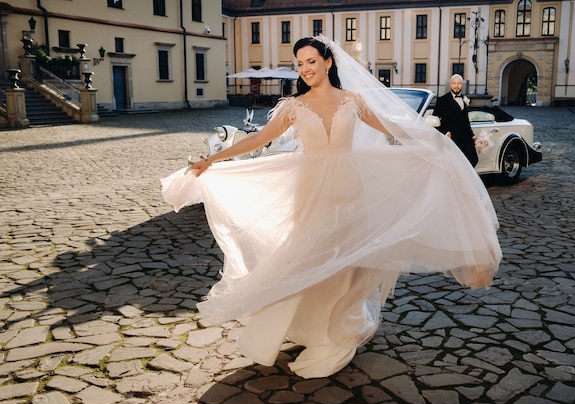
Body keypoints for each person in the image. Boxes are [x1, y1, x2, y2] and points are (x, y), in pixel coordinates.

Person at [161, 36, 501, 379]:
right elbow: (258, 138)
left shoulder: (352, 101)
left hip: (350, 192)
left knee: (346, 265)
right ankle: (306, 328)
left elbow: (392, 127)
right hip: (310, 194)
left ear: (328, 62)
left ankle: (336, 331)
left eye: (311, 61)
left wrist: (431, 142)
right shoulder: (294, 106)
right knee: (307, 260)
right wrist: (213, 159)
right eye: (299, 64)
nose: (305, 69)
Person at [432, 74, 479, 167]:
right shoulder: (442, 100)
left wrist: (472, 135)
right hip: (451, 139)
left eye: (459, 83)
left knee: (474, 159)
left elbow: (466, 121)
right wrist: (445, 132)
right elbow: (434, 119)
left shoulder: (464, 99)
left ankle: (463, 179)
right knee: (455, 164)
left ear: (462, 85)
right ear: (450, 85)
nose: (456, 86)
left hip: (465, 138)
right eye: (454, 83)